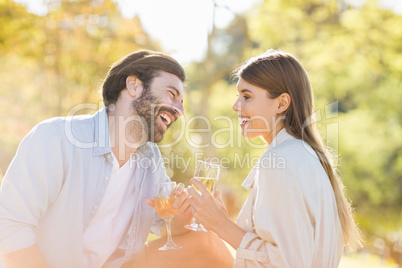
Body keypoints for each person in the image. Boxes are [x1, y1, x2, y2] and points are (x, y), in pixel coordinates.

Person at [0, 50, 191, 268]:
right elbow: (9, 226)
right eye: (171, 93)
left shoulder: (150, 159)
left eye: (181, 101)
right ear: (134, 86)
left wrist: (182, 216)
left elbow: (163, 223)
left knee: (205, 244)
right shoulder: (56, 138)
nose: (180, 110)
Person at [187, 49, 364, 267]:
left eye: (247, 96)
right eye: (238, 96)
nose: (235, 106)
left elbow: (290, 262)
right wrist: (221, 220)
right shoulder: (302, 155)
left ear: (281, 103)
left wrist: (222, 224)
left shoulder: (281, 162)